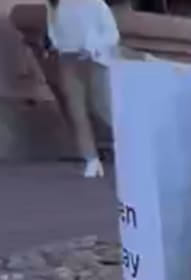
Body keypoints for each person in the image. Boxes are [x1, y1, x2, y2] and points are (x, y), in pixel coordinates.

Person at [46, 0, 119, 179]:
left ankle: (128, 148)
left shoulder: (97, 5)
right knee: (76, 109)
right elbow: (53, 29)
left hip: (95, 60)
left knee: (103, 107)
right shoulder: (60, 6)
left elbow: (112, 34)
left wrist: (92, 47)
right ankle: (91, 159)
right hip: (68, 59)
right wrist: (57, 45)